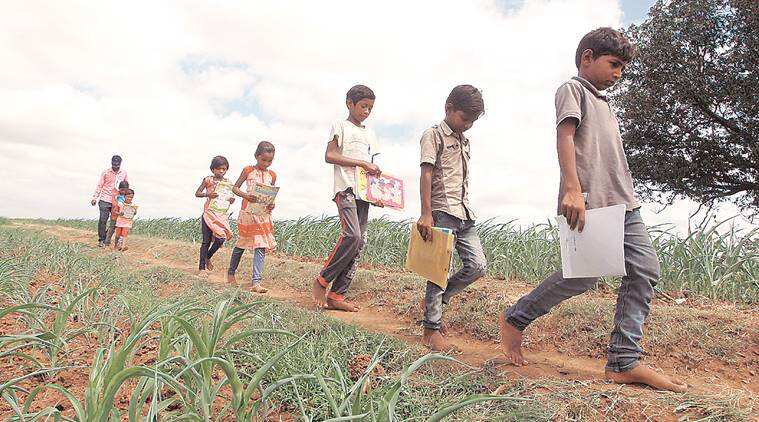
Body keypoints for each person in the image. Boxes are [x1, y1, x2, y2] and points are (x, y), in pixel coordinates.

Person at [499, 28, 688, 393]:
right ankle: (516, 317)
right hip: (590, 202)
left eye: (623, 68)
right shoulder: (572, 90)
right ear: (587, 57)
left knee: (645, 269)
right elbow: (565, 136)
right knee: (582, 278)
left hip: (625, 204)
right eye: (613, 64)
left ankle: (623, 360)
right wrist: (572, 189)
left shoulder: (605, 103)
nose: (618, 74)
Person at [416, 85, 488, 351]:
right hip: (442, 212)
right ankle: (430, 330)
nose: (468, 125)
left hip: (464, 213)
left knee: (478, 266)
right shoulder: (433, 135)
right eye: (465, 118)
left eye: (473, 121)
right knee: (438, 271)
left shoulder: (464, 141)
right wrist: (426, 213)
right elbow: (426, 173)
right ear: (449, 109)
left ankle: (436, 302)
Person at [311, 84, 382, 312]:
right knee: (352, 235)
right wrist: (362, 163)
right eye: (363, 106)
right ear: (349, 104)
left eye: (370, 108)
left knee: (360, 242)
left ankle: (337, 295)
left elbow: (370, 167)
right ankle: (322, 280)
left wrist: (377, 193)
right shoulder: (340, 126)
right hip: (345, 189)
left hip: (363, 193)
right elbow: (330, 155)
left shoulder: (370, 133)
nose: (366, 111)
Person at [227, 142, 277, 293]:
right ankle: (231, 273)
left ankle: (256, 282)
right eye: (264, 160)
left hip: (263, 214)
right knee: (241, 243)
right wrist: (246, 196)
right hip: (248, 213)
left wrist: (271, 204)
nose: (266, 163)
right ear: (257, 156)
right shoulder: (248, 170)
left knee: (261, 245)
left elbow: (270, 194)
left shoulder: (272, 175)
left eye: (270, 161)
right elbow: (235, 188)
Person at [195, 156, 235, 272]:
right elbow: (197, 193)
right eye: (218, 169)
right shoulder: (208, 180)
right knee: (206, 241)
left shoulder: (228, 183)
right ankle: (202, 268)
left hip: (221, 215)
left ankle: (207, 256)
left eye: (224, 169)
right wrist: (208, 195)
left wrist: (231, 200)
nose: (221, 171)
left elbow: (229, 196)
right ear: (213, 169)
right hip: (209, 214)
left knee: (221, 238)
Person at [91, 155, 128, 247]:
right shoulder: (106, 172)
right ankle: (102, 240)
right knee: (103, 220)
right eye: (114, 163)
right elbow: (100, 185)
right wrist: (95, 197)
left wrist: (127, 200)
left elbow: (126, 186)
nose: (115, 165)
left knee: (114, 222)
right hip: (105, 199)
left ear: (120, 163)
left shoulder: (123, 173)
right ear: (111, 162)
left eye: (117, 164)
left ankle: (107, 237)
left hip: (117, 200)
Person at [105, 181, 130, 247]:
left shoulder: (127, 197)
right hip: (115, 215)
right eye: (122, 190)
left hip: (123, 217)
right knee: (112, 228)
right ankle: (107, 243)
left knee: (120, 231)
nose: (123, 192)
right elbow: (114, 206)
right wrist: (118, 213)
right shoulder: (116, 196)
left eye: (125, 190)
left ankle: (118, 245)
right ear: (119, 188)